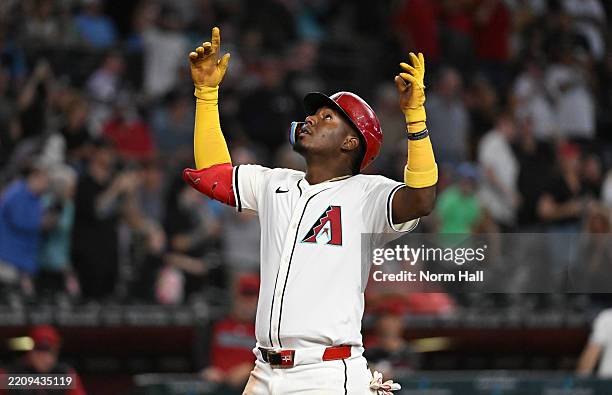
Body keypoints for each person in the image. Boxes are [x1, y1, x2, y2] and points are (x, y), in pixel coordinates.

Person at [181, 27, 437, 394]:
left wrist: (415, 119)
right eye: (314, 113)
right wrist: (206, 95)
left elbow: (421, 199)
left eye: (328, 117)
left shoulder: (367, 193)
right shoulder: (275, 183)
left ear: (352, 142)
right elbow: (212, 176)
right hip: (264, 371)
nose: (313, 118)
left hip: (327, 372)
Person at [201, 274, 258, 389]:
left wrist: (251, 368)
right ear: (235, 299)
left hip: (249, 385)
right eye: (243, 300)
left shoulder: (262, 331)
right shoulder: (216, 323)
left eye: (251, 301)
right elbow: (200, 350)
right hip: (214, 384)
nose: (246, 306)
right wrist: (206, 368)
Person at [5, 325, 86, 395]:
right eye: (40, 351)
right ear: (30, 352)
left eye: (52, 353)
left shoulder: (65, 375)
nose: (46, 359)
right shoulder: (9, 374)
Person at [577, 308, 612, 378]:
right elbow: (590, 357)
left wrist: (579, 384)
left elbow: (588, 361)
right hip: (608, 383)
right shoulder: (607, 317)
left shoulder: (607, 317)